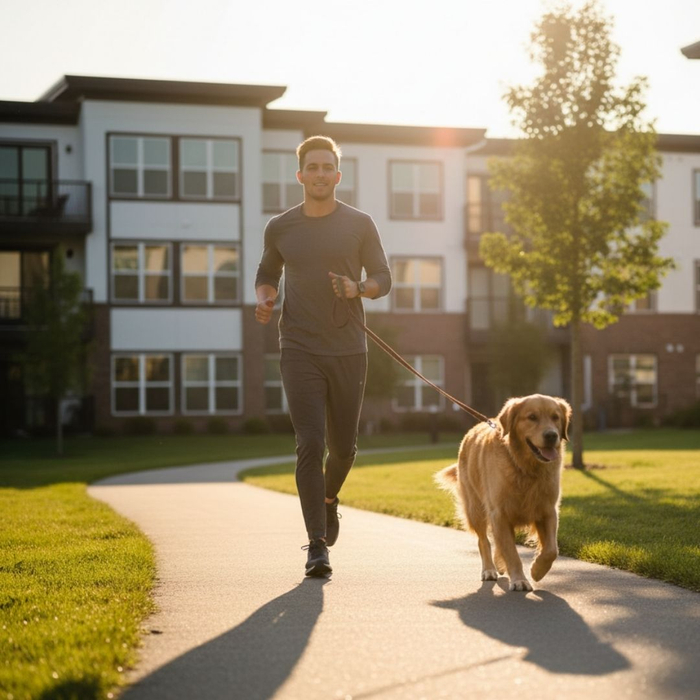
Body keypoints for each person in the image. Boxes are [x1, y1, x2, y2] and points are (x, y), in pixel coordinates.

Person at [255, 135, 392, 577]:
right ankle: (317, 546)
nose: (318, 174)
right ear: (300, 175)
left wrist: (360, 288)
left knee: (344, 449)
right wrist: (265, 296)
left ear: (337, 174)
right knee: (310, 443)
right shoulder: (281, 226)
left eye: (325, 167)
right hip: (298, 346)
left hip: (349, 347)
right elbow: (266, 270)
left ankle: (330, 499)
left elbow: (384, 278)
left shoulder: (359, 223)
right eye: (310, 167)